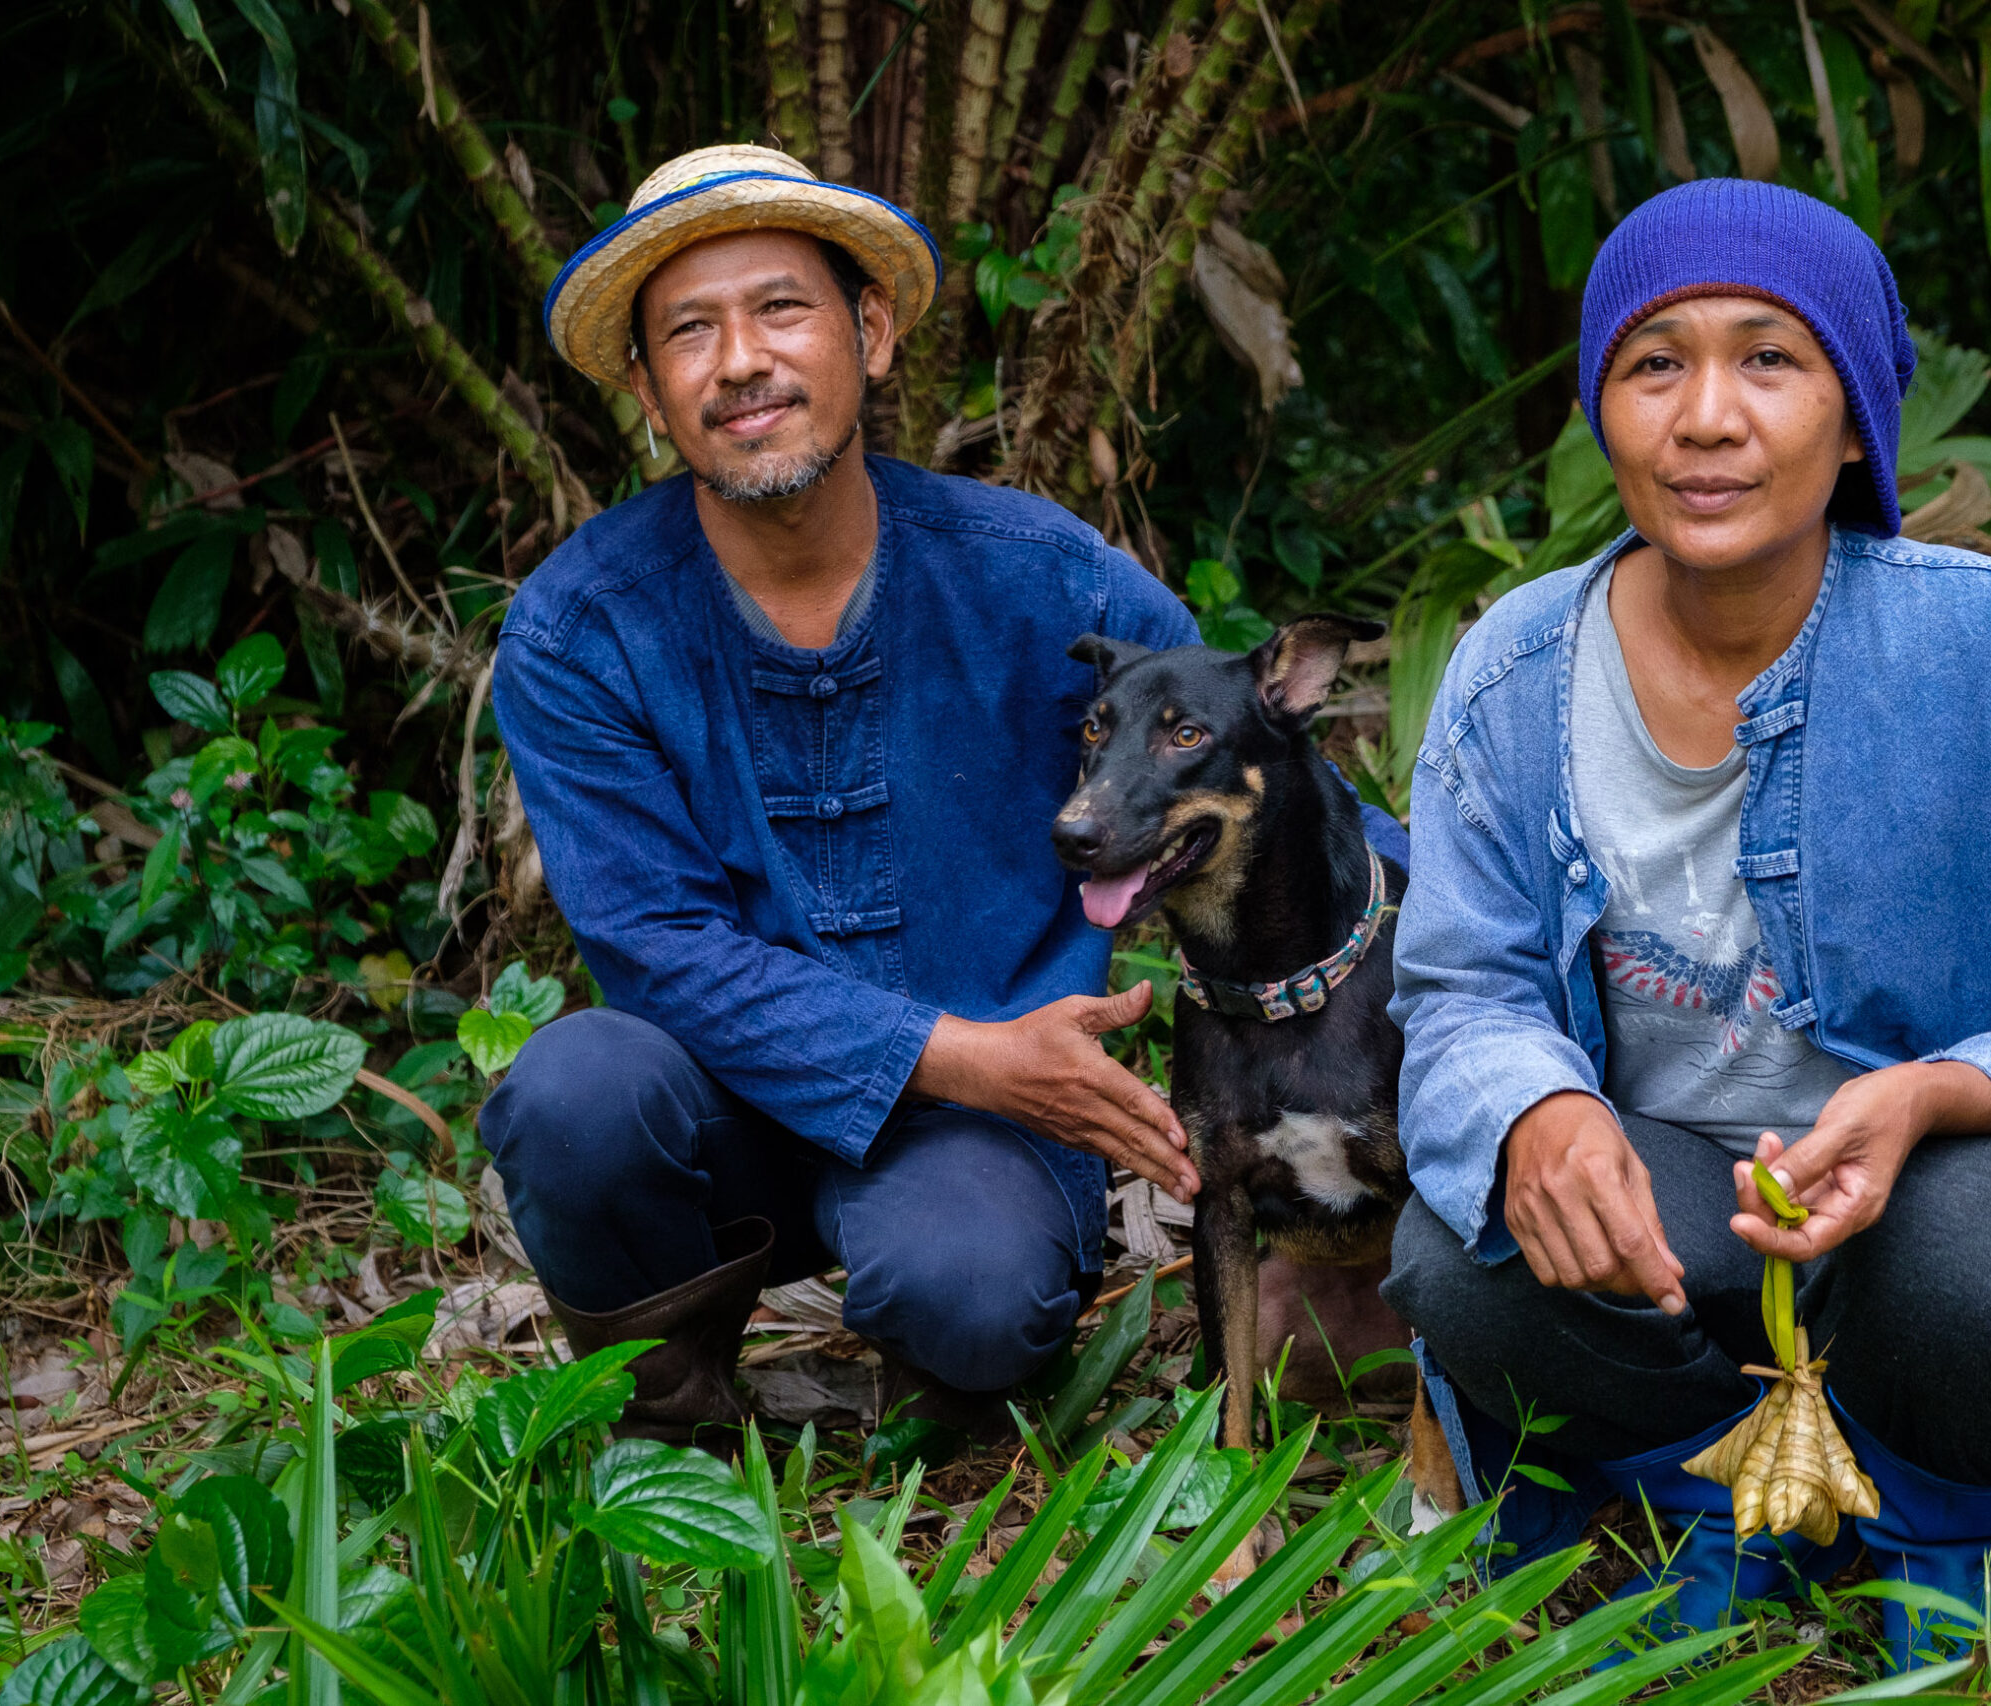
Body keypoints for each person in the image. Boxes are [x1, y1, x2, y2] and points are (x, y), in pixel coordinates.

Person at [1381, 179, 1991, 1671]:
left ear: (1856, 421)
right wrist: (1534, 1112)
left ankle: (1938, 1518)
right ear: (1605, 410)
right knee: (1465, 1251)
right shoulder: (1514, 669)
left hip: (1959, 1221)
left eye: (1769, 358)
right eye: (1657, 363)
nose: (1707, 415)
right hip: (1698, 1239)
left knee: (1969, 1256)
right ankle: (1717, 1480)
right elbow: (1460, 991)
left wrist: (1928, 1096)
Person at [481, 145, 1401, 1449]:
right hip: (730, 1096)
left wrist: (1441, 919)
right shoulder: (582, 629)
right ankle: (673, 1421)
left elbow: (1243, 757)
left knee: (970, 1289)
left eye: (783, 309)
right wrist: (972, 1051)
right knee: (572, 1092)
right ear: (645, 384)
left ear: (872, 330)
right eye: (689, 330)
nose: (741, 359)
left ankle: (939, 1387)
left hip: (991, 1124)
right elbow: (659, 952)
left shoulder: (1038, 575)